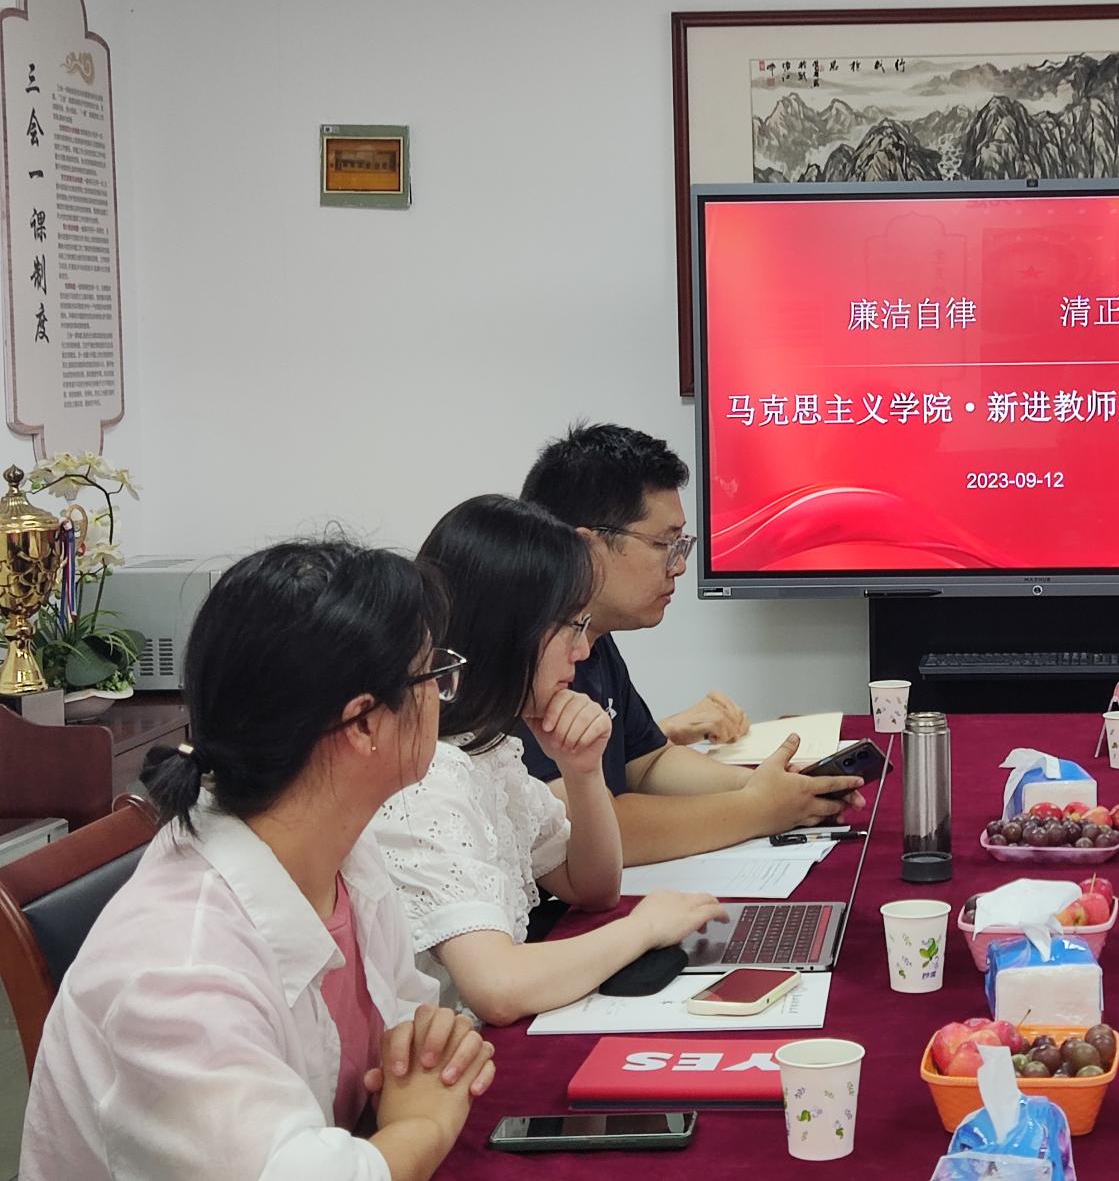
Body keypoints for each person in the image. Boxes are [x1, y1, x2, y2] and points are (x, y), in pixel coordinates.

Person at [23, 540, 495, 1181]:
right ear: (362, 724)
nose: (442, 694)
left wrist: (429, 1045)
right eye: (430, 674)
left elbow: (405, 1022)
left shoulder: (339, 849)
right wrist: (424, 1126)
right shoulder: (177, 970)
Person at [370, 495, 727, 1024]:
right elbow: (498, 988)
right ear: (506, 632)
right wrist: (644, 928)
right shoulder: (429, 776)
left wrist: (582, 772)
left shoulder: (488, 749)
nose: (582, 652)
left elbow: (592, 888)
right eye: (571, 627)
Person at [519, 423, 863, 863]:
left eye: (681, 544)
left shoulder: (592, 636)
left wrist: (775, 786)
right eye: (664, 543)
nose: (678, 566)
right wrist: (758, 809)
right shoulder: (525, 652)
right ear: (587, 547)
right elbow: (583, 831)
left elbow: (649, 762)